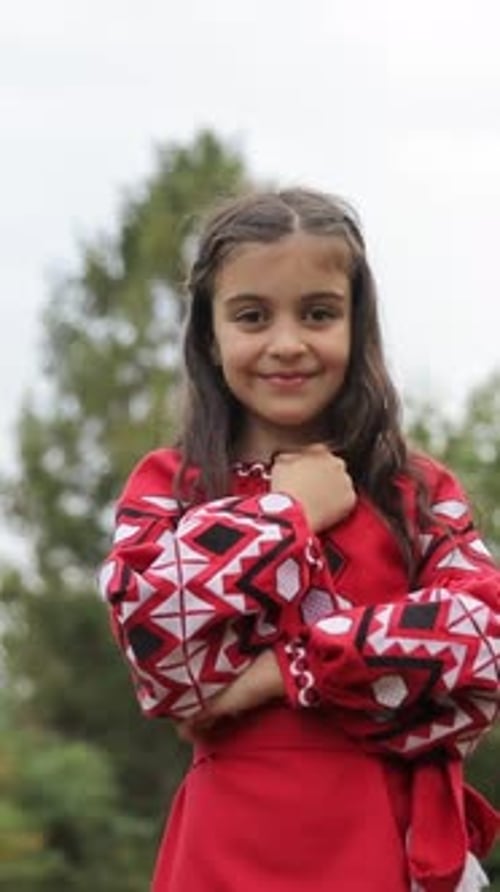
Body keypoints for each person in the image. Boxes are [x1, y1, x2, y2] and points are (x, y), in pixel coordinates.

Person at [99, 188, 499, 892]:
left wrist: (278, 675)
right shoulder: (171, 485)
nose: (287, 343)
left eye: (318, 313)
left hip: (381, 840)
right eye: (252, 316)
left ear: (357, 323)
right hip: (225, 848)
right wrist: (286, 513)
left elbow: (484, 640)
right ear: (209, 334)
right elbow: (157, 647)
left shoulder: (415, 491)